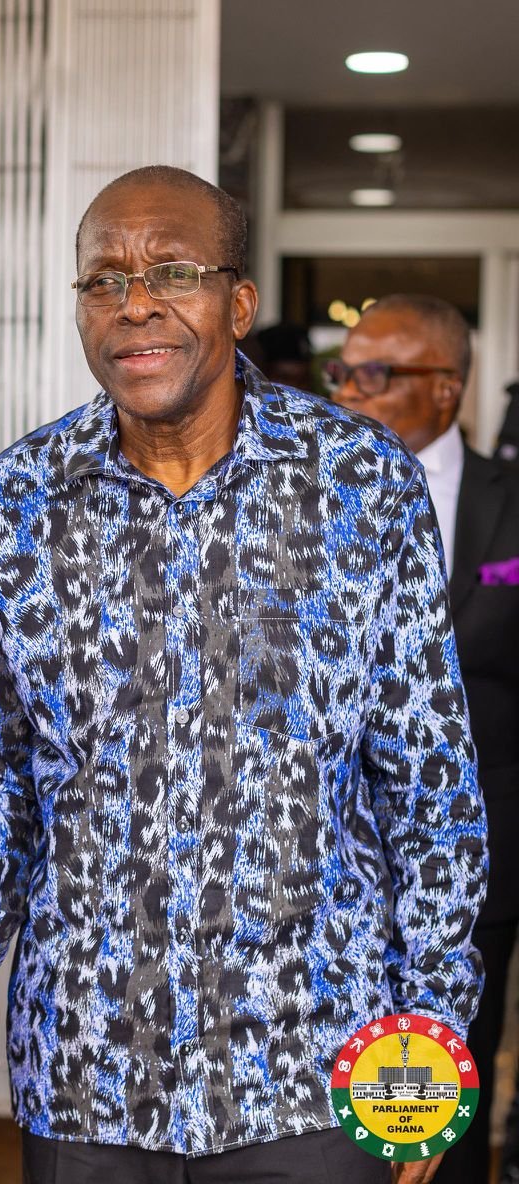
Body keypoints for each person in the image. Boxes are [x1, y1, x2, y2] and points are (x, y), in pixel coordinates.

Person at [0, 165, 486, 1184]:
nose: (135, 304)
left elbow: (428, 776)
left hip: (316, 1071)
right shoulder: (11, 507)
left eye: (172, 271)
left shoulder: (361, 483)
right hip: (87, 1077)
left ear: (237, 305)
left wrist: (433, 1021)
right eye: (103, 279)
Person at [331, 293, 519, 1184]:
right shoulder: (310, 500)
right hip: (332, 856)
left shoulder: (510, 502)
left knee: (452, 1083)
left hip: (488, 851)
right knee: (336, 1097)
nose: (348, 392)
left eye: (374, 374)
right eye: (341, 373)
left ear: (445, 387)